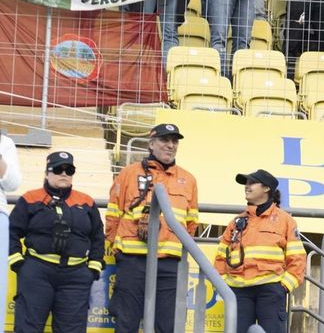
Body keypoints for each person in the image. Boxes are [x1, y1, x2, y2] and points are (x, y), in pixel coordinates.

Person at [106, 123, 199, 333]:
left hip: (169, 262)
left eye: (174, 141)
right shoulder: (128, 173)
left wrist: (174, 245)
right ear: (151, 144)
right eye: (164, 140)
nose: (170, 145)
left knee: (168, 325)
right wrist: (118, 250)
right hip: (133, 259)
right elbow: (112, 216)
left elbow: (191, 222)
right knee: (126, 322)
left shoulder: (189, 180)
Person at [9, 151, 103, 333]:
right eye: (58, 169)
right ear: (47, 173)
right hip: (37, 273)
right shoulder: (30, 198)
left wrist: (93, 267)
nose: (64, 174)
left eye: (69, 171)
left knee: (72, 330)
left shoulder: (86, 202)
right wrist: (18, 263)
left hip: (75, 277)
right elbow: (11, 231)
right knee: (28, 327)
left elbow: (97, 236)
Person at [214, 170, 304, 333]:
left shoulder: (285, 221)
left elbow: (297, 259)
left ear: (266, 188)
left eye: (251, 183)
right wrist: (225, 284)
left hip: (270, 291)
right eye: (246, 183)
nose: (246, 187)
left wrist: (283, 287)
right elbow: (221, 257)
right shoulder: (236, 222)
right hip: (238, 291)